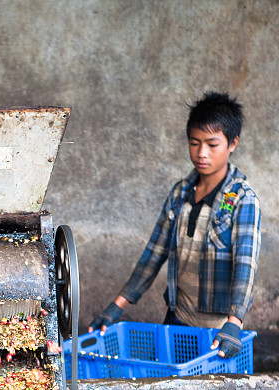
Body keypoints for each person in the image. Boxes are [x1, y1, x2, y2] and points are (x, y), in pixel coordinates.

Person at [89, 92, 261, 358]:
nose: (201, 153)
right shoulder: (180, 192)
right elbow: (153, 254)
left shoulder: (242, 199)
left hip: (217, 332)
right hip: (177, 320)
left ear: (232, 143)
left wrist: (234, 323)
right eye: (194, 143)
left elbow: (245, 267)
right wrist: (117, 305)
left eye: (212, 145)